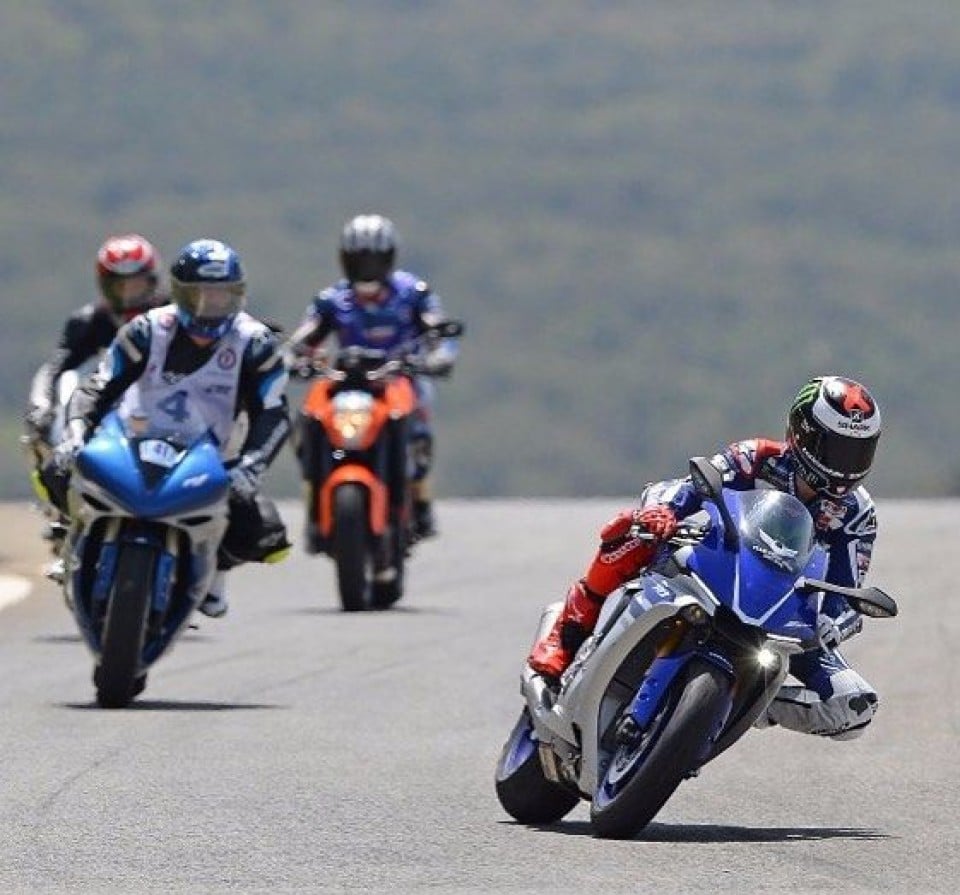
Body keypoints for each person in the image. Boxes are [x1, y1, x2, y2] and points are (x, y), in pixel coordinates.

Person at [528, 375, 884, 741]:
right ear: (802, 434)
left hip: (782, 613)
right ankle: (567, 631)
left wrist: (834, 623)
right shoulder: (756, 457)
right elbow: (685, 488)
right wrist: (664, 512)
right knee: (630, 530)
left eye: (858, 452)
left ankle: (746, 705)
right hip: (715, 567)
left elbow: (847, 590)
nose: (846, 466)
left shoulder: (857, 512)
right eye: (836, 448)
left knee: (855, 705)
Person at [52, 238, 292, 617]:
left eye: (220, 297)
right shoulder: (146, 330)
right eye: (197, 296)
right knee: (57, 469)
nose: (208, 308)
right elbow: (96, 387)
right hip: (130, 438)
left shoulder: (255, 343)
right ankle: (75, 541)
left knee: (264, 533)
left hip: (210, 454)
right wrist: (75, 433)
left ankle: (211, 567)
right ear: (177, 295)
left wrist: (252, 465)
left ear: (238, 296)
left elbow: (275, 413)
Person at [286, 213, 459, 538]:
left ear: (389, 258)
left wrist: (439, 358)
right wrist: (292, 358)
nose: (366, 266)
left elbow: (438, 331)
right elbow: (303, 338)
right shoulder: (332, 300)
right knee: (309, 418)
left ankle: (419, 499)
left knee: (417, 425)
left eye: (373, 258)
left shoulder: (412, 293)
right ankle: (314, 500)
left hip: (398, 377)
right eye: (358, 258)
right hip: (344, 380)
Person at [24, 234, 167, 561]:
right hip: (105, 405)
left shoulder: (171, 318)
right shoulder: (89, 322)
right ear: (105, 286)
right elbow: (56, 367)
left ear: (153, 281)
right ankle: (61, 512)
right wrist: (41, 406)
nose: (130, 294)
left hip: (162, 407)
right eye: (120, 285)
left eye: (138, 284)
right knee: (45, 432)